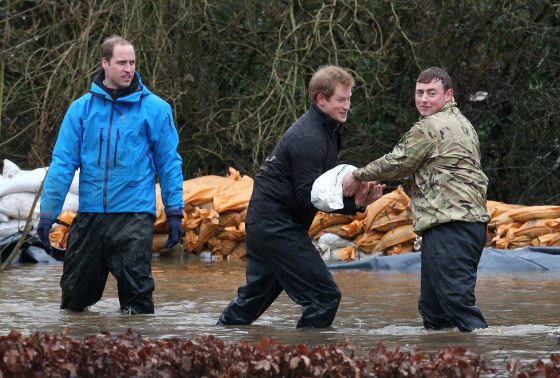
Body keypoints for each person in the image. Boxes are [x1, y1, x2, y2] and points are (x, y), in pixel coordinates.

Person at [217, 65, 384, 328]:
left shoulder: (326, 131)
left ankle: (217, 343)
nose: (347, 106)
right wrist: (356, 204)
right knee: (325, 297)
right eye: (341, 99)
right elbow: (310, 196)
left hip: (265, 223)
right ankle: (307, 360)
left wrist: (357, 198)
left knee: (251, 302)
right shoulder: (309, 138)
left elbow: (323, 186)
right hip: (276, 226)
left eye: (349, 98)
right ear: (321, 99)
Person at [36, 35, 184, 314]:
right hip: (90, 216)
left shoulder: (156, 109)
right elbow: (62, 164)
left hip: (134, 217)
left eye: (132, 62)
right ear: (105, 63)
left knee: (137, 302)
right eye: (121, 63)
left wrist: (175, 211)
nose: (129, 69)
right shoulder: (80, 110)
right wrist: (48, 212)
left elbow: (169, 163)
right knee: (72, 300)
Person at [343, 67, 491, 332]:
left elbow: (399, 162)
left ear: (448, 95)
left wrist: (357, 176)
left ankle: (489, 362)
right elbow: (430, 170)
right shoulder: (462, 123)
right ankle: (441, 362)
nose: (423, 99)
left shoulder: (430, 126)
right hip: (460, 225)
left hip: (451, 225)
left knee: (457, 303)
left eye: (431, 93)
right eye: (419, 92)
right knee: (433, 308)